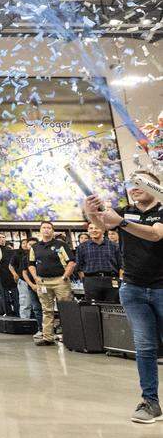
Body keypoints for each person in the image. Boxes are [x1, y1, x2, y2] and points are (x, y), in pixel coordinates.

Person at [84, 171, 163, 423]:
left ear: (155, 186)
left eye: (140, 182)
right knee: (144, 346)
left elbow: (155, 233)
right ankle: (150, 402)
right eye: (131, 183)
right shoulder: (125, 210)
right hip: (133, 288)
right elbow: (102, 225)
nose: (134, 187)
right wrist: (91, 213)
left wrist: (121, 222)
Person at [27, 220, 76, 346]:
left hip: (60, 281)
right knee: (46, 310)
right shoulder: (35, 247)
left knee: (66, 308)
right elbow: (31, 265)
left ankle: (70, 336)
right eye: (44, 228)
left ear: (52, 231)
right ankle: (48, 337)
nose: (46, 230)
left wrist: (65, 276)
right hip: (43, 282)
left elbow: (71, 262)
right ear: (40, 230)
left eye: (49, 228)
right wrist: (35, 277)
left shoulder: (61, 245)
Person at [75, 222, 122, 304]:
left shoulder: (114, 246)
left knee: (113, 308)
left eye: (96, 228)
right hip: (91, 281)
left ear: (103, 230)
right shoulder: (82, 247)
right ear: (88, 231)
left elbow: (122, 266)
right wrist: (85, 281)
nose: (94, 230)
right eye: (91, 228)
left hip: (111, 281)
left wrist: (120, 280)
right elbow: (79, 267)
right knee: (93, 309)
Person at [16, 238, 41, 322]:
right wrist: (32, 285)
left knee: (46, 308)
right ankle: (26, 324)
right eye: (30, 244)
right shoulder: (25, 258)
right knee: (32, 306)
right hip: (30, 285)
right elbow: (24, 273)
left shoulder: (42, 256)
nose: (32, 246)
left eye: (35, 244)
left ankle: (47, 329)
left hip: (44, 285)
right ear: (27, 246)